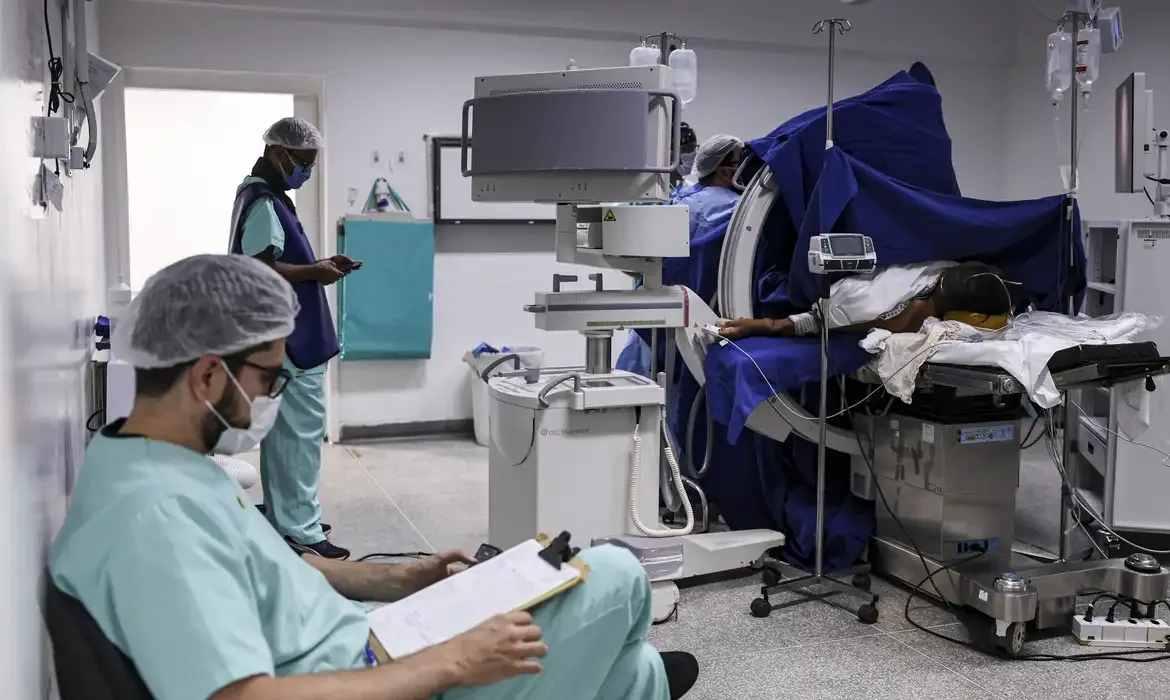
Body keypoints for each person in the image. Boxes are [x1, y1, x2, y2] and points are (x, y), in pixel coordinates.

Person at [49, 254, 700, 700]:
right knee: (617, 575)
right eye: (272, 376)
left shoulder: (151, 459)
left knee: (591, 604)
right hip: (381, 679)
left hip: (364, 636)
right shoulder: (154, 521)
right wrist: (451, 660)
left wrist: (401, 579)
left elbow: (271, 569)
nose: (277, 393)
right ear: (210, 376)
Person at [229, 116, 350, 559]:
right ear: (280, 154)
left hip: (284, 335)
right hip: (292, 341)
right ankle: (302, 529)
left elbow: (276, 257)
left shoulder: (264, 195)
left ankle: (286, 518)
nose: (307, 172)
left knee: (285, 438)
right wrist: (314, 272)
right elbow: (258, 268)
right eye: (304, 163)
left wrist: (317, 263)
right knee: (299, 439)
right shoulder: (263, 200)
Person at [616, 134, 745, 378]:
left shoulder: (686, 200)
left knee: (646, 380)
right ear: (725, 172)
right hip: (690, 314)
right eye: (741, 163)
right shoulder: (735, 208)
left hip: (665, 314)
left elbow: (632, 259)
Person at [718, 261, 1019, 340]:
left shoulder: (960, 270)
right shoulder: (908, 311)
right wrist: (762, 326)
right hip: (838, 294)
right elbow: (819, 321)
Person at [670, 122, 699, 197]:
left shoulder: (693, 191)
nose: (692, 154)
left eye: (693, 148)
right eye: (686, 149)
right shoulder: (652, 192)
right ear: (670, 153)